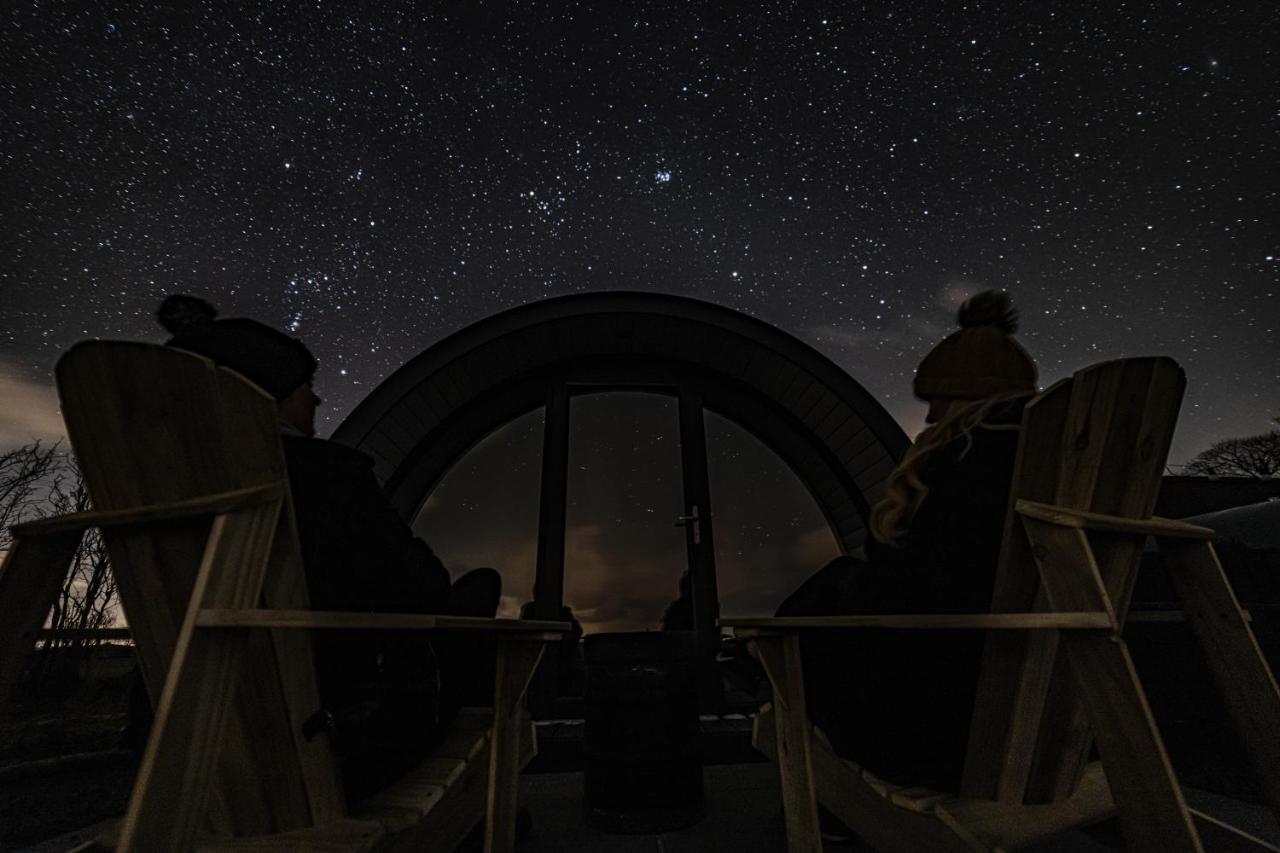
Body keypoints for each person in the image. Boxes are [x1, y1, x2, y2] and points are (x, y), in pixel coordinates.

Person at [153, 293, 501, 803]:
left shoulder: (167, 492)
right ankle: (478, 811)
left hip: (188, 752)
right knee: (476, 597)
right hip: (336, 740)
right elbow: (419, 590)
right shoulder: (328, 478)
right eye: (304, 388)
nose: (315, 401)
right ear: (264, 399)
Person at [775, 290, 1038, 794]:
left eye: (939, 398)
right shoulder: (1042, 464)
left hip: (937, 729)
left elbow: (925, 580)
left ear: (968, 398)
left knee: (824, 600)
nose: (933, 416)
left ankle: (832, 799)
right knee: (837, 588)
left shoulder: (969, 462)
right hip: (1029, 709)